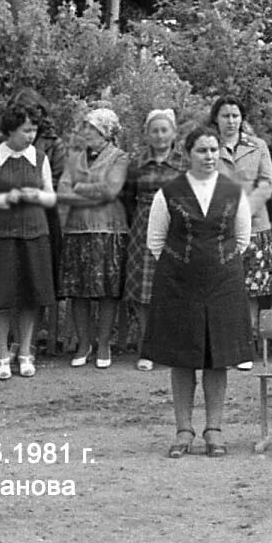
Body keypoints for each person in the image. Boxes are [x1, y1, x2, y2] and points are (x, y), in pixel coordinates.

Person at [142, 126, 255, 458]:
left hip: (223, 284)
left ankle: (214, 430)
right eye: (202, 151)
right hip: (178, 285)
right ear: (187, 154)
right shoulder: (168, 193)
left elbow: (243, 239)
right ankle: (183, 430)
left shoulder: (234, 192)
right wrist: (184, 266)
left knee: (217, 358)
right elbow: (155, 242)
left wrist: (216, 263)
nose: (209, 156)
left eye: (214, 150)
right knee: (182, 358)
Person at [0, 103, 58, 381]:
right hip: (0, 235)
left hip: (34, 233)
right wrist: (2, 199)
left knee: (31, 295)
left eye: (33, 130)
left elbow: (51, 197)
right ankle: (2, 354)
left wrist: (36, 196)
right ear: (10, 130)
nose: (30, 136)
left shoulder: (40, 158)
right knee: (1, 297)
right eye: (25, 130)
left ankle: (25, 353)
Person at [57, 107, 130, 369]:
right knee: (78, 292)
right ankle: (83, 344)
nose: (86, 132)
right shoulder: (74, 157)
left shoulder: (119, 157)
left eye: (92, 128)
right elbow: (62, 190)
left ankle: (103, 344)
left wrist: (80, 187)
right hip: (77, 230)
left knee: (108, 292)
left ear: (105, 132)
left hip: (108, 229)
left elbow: (111, 190)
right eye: (85, 127)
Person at [211, 96, 272, 370]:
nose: (231, 121)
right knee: (221, 290)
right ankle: (221, 349)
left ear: (242, 119)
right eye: (225, 116)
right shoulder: (209, 148)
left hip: (255, 226)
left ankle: (245, 348)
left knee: (250, 292)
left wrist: (244, 214)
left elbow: (266, 183)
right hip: (218, 229)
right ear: (216, 119)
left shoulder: (258, 146)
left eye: (235, 116)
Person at [123, 109, 182, 372]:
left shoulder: (184, 163)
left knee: (172, 288)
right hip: (143, 226)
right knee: (144, 291)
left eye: (164, 130)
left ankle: (171, 347)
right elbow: (126, 198)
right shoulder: (137, 164)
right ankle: (148, 347)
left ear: (174, 133)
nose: (160, 135)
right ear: (147, 134)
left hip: (175, 227)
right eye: (154, 130)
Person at [6, 88, 66, 306]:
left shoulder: (53, 143)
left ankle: (31, 335)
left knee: (37, 280)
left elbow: (57, 181)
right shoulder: (4, 142)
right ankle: (9, 336)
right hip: (7, 214)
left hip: (43, 217)